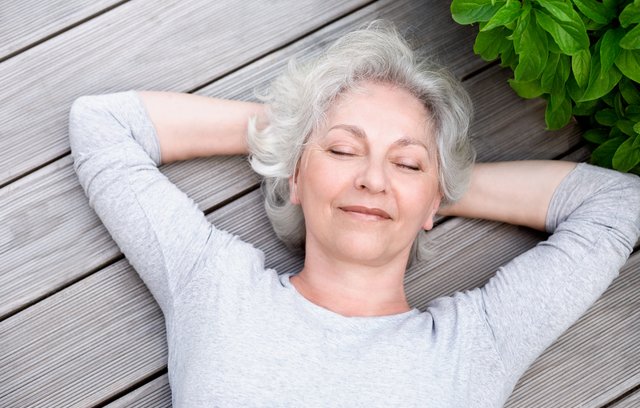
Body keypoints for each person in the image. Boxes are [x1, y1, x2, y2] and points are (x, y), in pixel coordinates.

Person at [68, 22, 640, 407]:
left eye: (406, 163)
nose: (372, 178)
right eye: (342, 151)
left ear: (431, 204)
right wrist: (292, 133)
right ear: (295, 174)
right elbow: (102, 126)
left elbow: (616, 203)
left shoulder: (478, 343)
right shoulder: (215, 290)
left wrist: (434, 188)